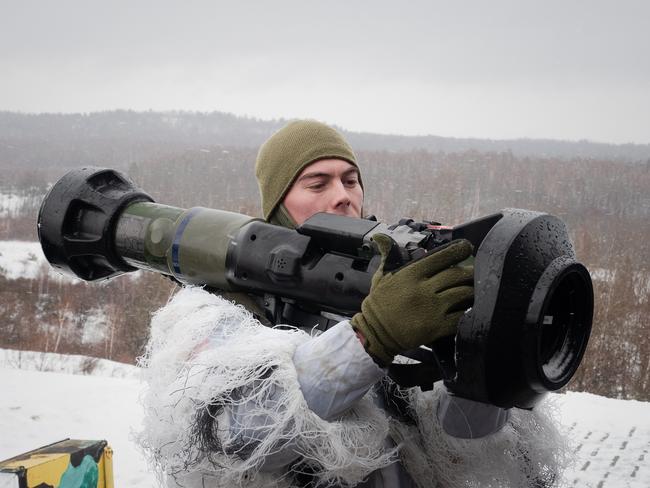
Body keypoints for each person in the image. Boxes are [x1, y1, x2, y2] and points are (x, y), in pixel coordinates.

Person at [138, 121, 567, 488]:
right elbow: (247, 432)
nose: (343, 195)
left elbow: (460, 452)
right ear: (277, 208)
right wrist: (370, 339)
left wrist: (480, 362)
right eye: (317, 183)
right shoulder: (217, 310)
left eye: (350, 179)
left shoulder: (395, 291)